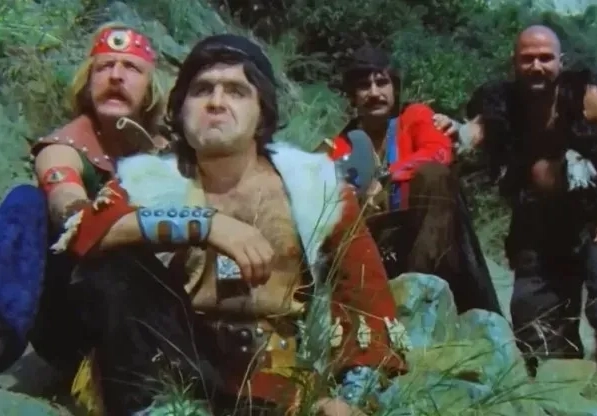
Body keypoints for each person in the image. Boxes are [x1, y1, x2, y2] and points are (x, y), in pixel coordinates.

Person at [49, 34, 409, 415]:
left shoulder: (316, 188)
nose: (216, 102)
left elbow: (367, 303)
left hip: (280, 389)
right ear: (180, 109)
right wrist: (203, 224)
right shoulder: (145, 181)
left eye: (236, 91)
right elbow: (83, 232)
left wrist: (349, 400)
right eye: (201, 90)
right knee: (113, 264)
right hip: (170, 373)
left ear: (262, 112)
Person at [433, 25, 597, 376]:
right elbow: (472, 133)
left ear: (561, 61)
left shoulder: (588, 97)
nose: (537, 66)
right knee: (536, 330)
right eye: (528, 59)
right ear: (515, 63)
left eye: (545, 58)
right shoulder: (503, 103)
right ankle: (564, 380)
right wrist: (451, 132)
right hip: (539, 223)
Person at [0, 22, 168, 373]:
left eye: (131, 67)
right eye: (104, 67)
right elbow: (67, 205)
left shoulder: (173, 155)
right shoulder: (65, 145)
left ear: (150, 89)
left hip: (150, 324)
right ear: (88, 82)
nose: (116, 76)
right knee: (26, 201)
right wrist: (81, 211)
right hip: (74, 319)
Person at [320, 44, 501, 315]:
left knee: (434, 175)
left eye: (382, 82)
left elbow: (438, 152)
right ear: (352, 97)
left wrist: (385, 178)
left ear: (394, 88)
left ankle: (416, 295)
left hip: (431, 240)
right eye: (364, 86)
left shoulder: (416, 116)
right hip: (374, 248)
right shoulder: (341, 145)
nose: (374, 93)